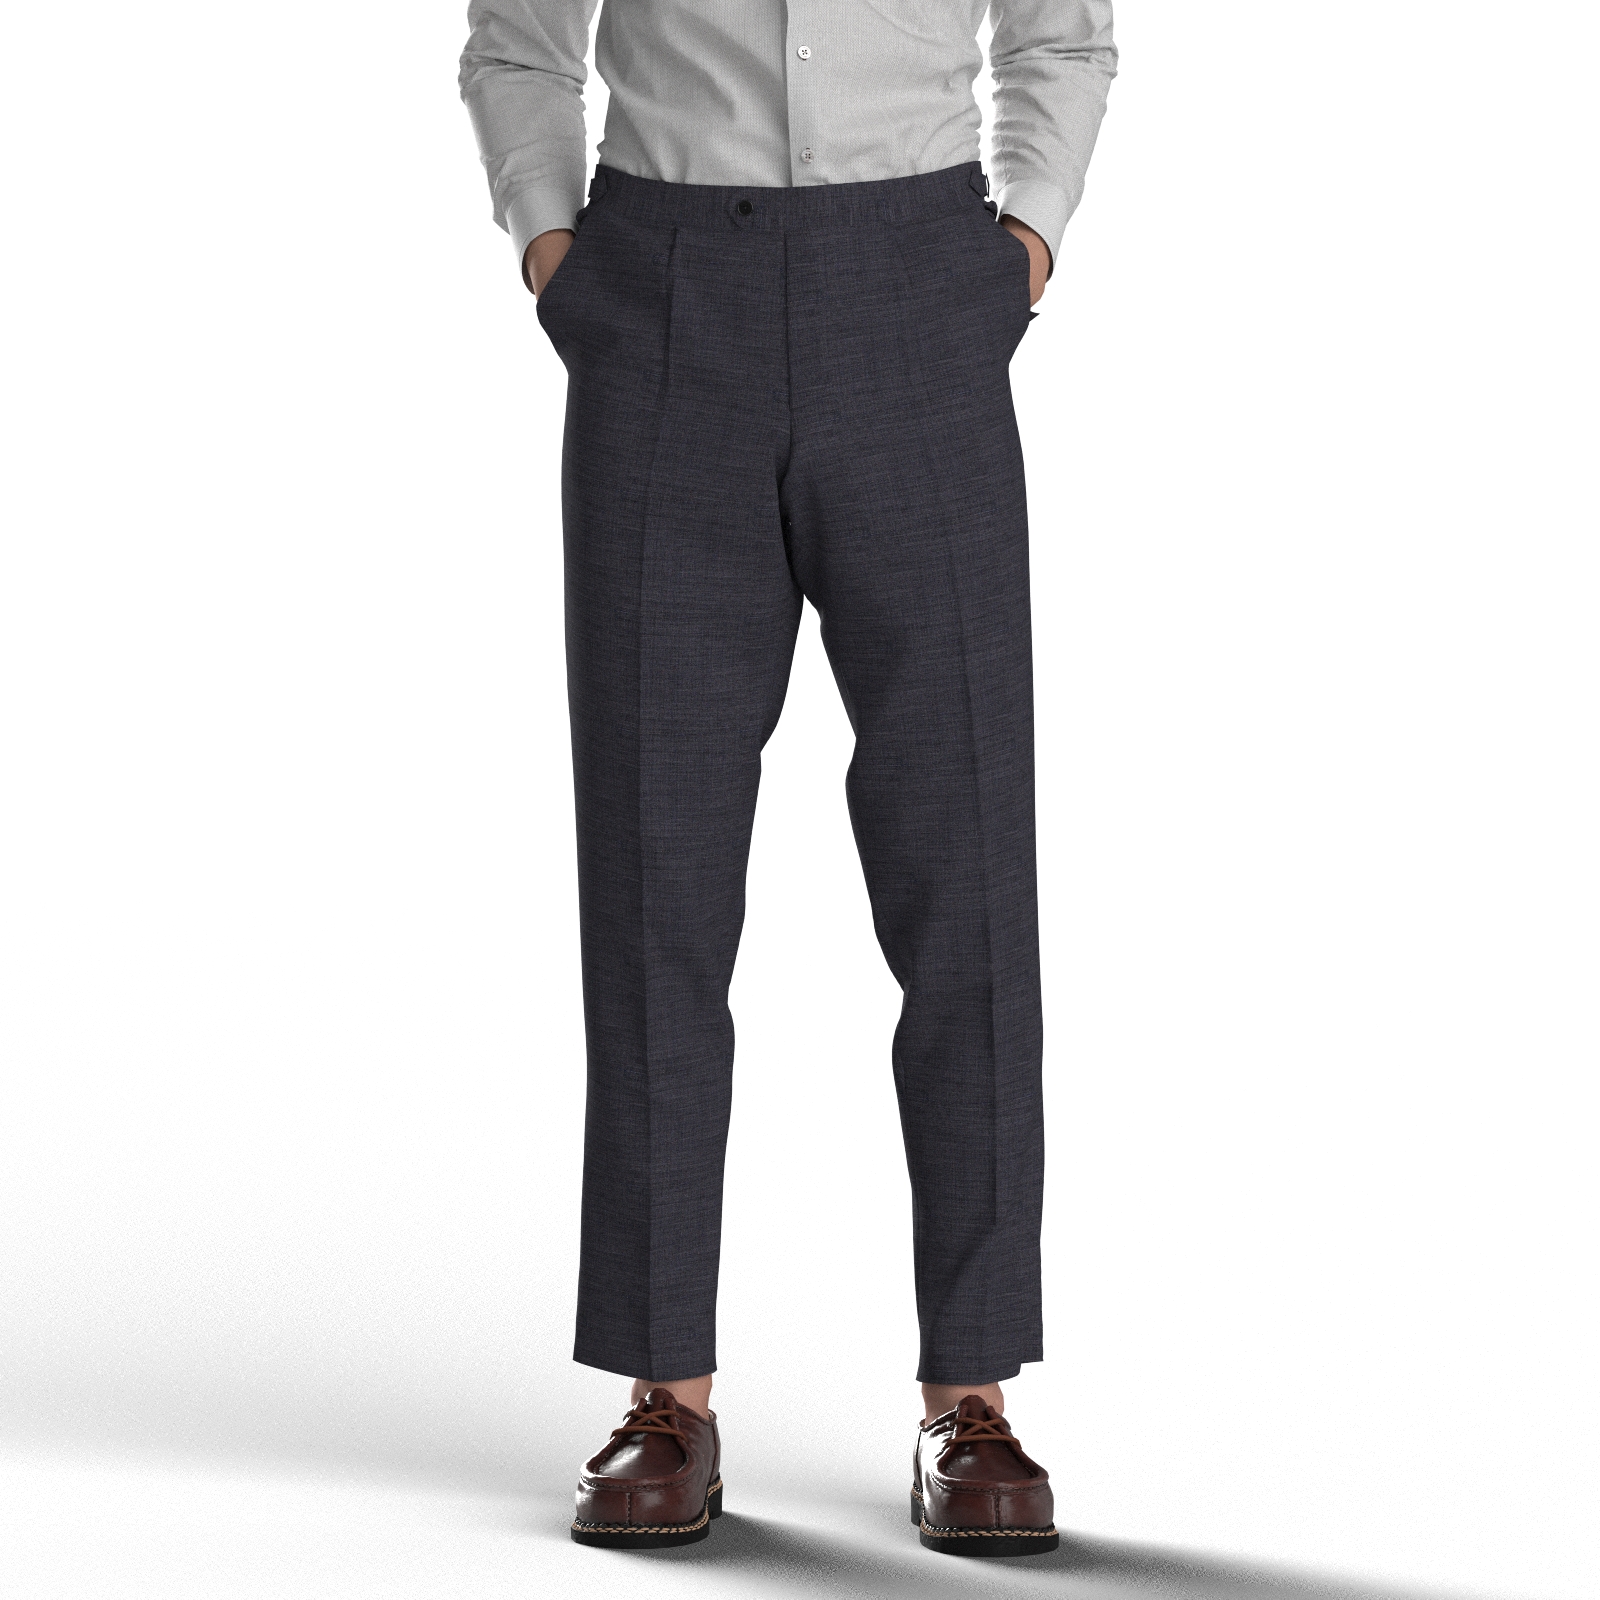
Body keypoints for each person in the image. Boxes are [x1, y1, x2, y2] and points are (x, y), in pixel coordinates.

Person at [460, 0, 1115, 1557]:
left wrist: (1018, 249)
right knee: (655, 882)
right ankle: (663, 1394)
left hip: (922, 291)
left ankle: (973, 1396)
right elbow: (518, 44)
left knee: (967, 876)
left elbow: (1062, 37)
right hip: (662, 300)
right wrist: (559, 257)